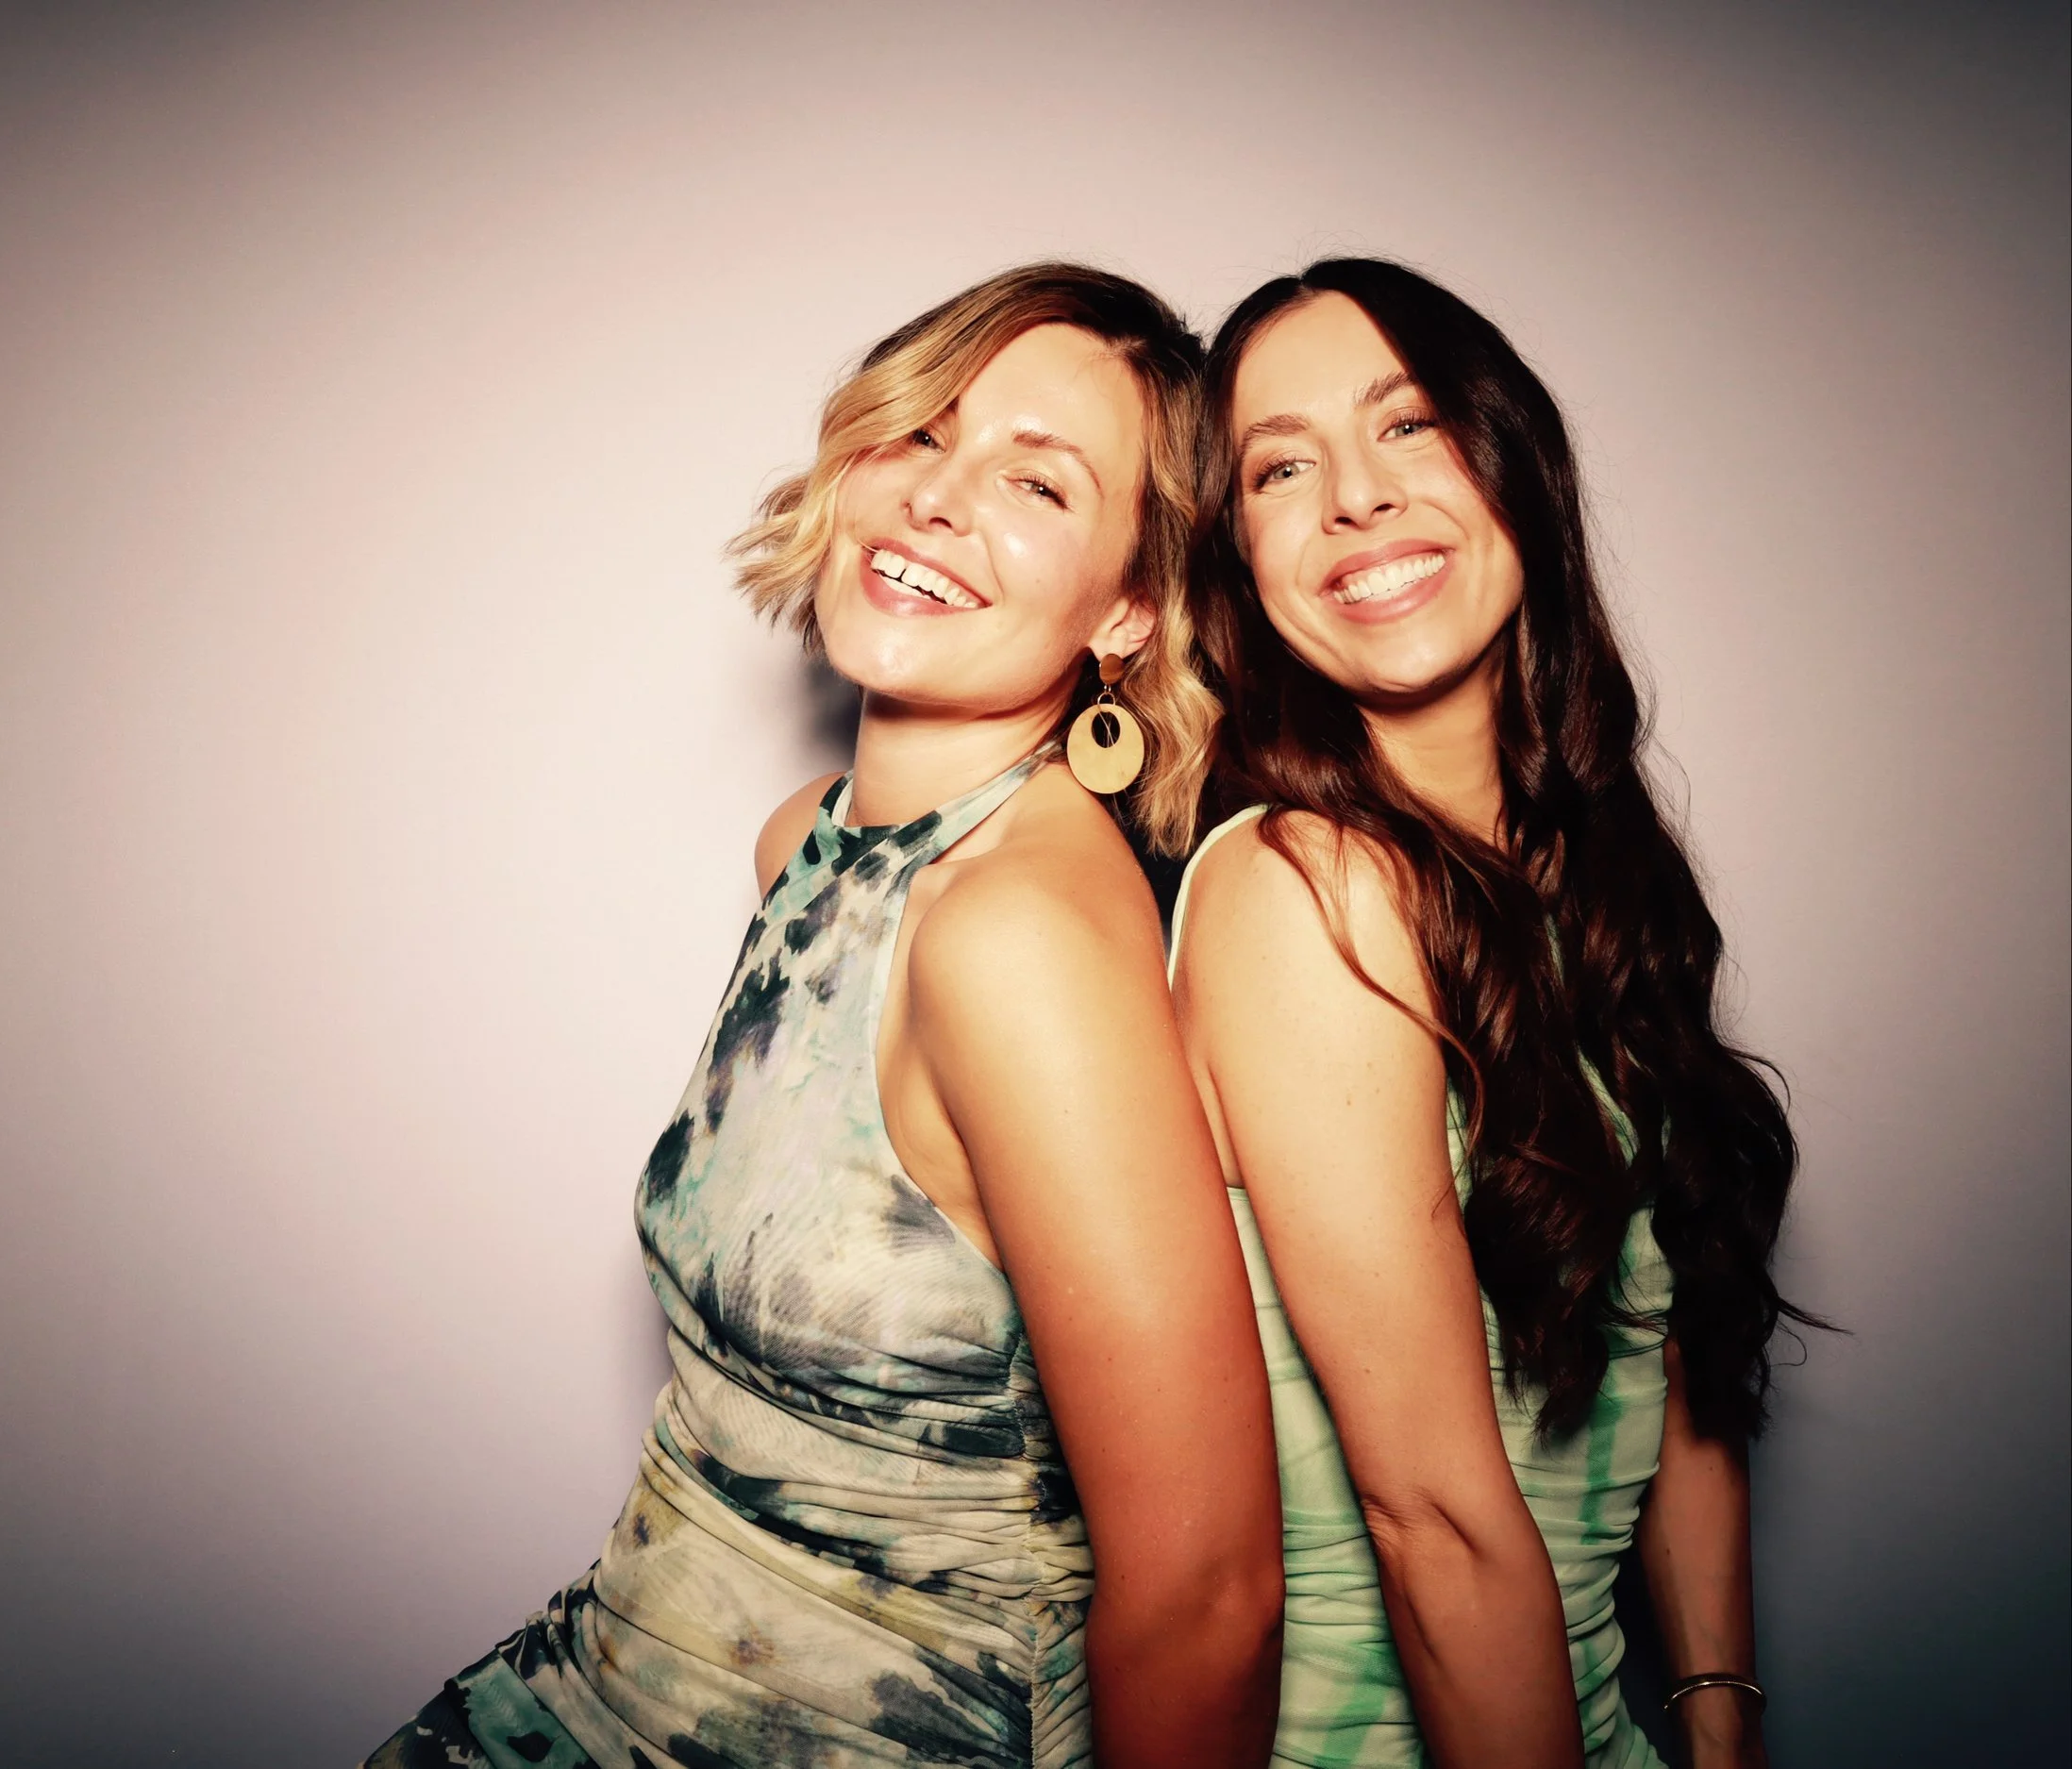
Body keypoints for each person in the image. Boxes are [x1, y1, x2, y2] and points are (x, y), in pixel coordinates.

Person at [367, 264, 1283, 1769]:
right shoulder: (811, 839)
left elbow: (1210, 1591)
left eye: (1035, 484)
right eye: (922, 433)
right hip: (603, 1678)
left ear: (1129, 605)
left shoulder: (1018, 934)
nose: (937, 498)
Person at [1162, 259, 1813, 1769]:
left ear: (1517, 465)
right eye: (1280, 466)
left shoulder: (1602, 876)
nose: (1356, 499)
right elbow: (1437, 1520)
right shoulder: (1305, 886)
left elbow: (1679, 1355)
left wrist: (1718, 1726)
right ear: (1237, 558)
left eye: (1409, 427)